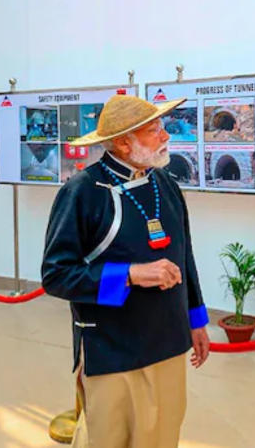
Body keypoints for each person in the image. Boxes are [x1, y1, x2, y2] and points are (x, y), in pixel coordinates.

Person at [42, 93, 211, 447]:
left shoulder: (165, 183)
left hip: (168, 340)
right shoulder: (82, 193)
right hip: (111, 348)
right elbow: (56, 276)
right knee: (108, 439)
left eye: (162, 127)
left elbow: (185, 255)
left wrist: (196, 321)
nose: (166, 136)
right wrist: (131, 274)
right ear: (122, 142)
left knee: (163, 435)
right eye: (155, 130)